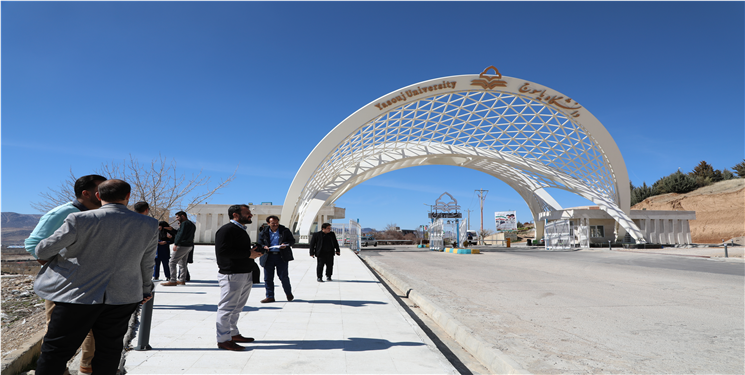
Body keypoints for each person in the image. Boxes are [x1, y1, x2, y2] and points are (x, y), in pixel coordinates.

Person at [33, 179, 157, 375]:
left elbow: (42, 250)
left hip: (77, 295)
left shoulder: (79, 219)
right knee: (109, 350)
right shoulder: (149, 224)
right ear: (127, 197)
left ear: (98, 196)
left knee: (56, 350)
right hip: (123, 297)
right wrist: (145, 289)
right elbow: (147, 262)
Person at [24, 174, 107, 375]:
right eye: (100, 190)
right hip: (62, 285)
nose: (104, 194)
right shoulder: (63, 213)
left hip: (93, 283)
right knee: (56, 331)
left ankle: (86, 366)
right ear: (86, 193)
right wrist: (59, 266)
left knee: (94, 328)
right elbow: (33, 244)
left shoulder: (102, 214)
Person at [214, 204, 263, 351]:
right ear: (236, 215)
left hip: (244, 273)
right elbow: (223, 251)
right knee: (227, 308)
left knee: (237, 307)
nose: (250, 215)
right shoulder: (226, 230)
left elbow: (238, 250)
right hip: (232, 274)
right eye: (247, 213)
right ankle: (223, 339)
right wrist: (248, 254)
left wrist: (253, 252)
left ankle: (233, 334)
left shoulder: (240, 230)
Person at [258, 216, 295, 303]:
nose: (275, 225)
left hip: (281, 256)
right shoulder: (263, 232)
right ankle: (270, 296)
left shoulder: (285, 231)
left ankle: (288, 294)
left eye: (276, 223)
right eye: (273, 223)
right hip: (268, 256)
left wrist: (285, 244)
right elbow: (260, 243)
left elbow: (292, 241)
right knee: (268, 278)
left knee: (283, 276)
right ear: (268, 223)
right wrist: (264, 246)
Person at [161, 211, 196, 286]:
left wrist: (176, 244)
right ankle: (181, 280)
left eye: (177, 217)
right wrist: (172, 230)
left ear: (182, 216)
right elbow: (180, 233)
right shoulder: (191, 224)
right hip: (189, 245)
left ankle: (173, 280)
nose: (176, 219)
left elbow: (181, 234)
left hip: (182, 245)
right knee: (182, 263)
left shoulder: (184, 223)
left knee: (172, 262)